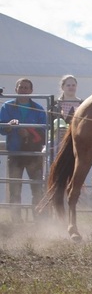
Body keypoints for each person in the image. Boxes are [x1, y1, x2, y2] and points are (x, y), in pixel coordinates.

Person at [0, 78, 47, 223]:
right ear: (16, 89)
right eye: (21, 87)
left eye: (26, 87)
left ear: (31, 90)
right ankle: (16, 221)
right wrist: (10, 126)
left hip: (34, 154)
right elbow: (2, 129)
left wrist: (28, 133)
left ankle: (39, 220)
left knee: (37, 189)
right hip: (15, 153)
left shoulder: (39, 109)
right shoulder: (7, 107)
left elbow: (45, 132)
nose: (23, 90)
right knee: (15, 189)